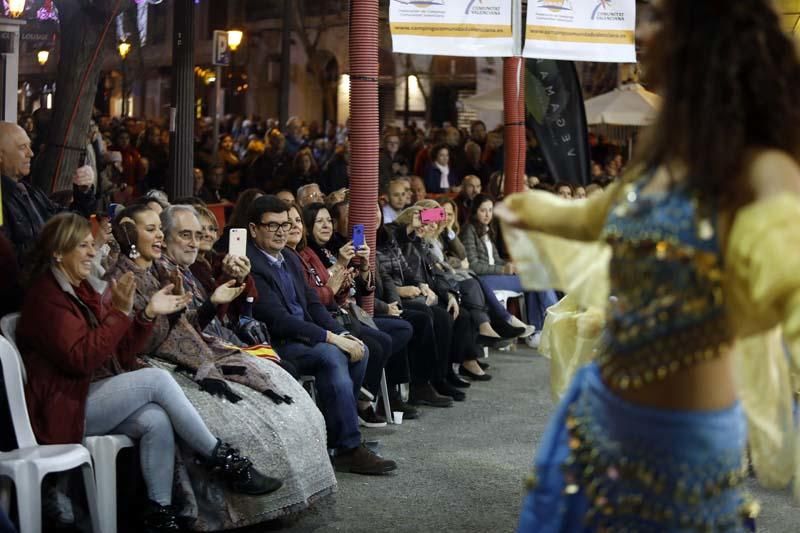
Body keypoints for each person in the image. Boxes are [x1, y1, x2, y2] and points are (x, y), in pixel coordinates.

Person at [497, 1, 800, 530]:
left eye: (659, 16)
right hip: (594, 422)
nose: (639, 29)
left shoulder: (761, 171)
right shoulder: (661, 158)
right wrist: (526, 207)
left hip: (682, 453)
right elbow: (595, 218)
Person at [19, 213, 282, 532]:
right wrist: (120, 313)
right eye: (82, 246)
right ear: (58, 253)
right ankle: (224, 459)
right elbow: (82, 359)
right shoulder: (47, 297)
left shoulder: (83, 290)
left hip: (84, 395)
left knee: (156, 418)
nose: (92, 252)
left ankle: (160, 514)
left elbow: (120, 354)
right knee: (156, 380)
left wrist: (145, 314)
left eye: (92, 245)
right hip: (59, 409)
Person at [106, 204, 336, 528]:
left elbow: (188, 325)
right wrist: (150, 316)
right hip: (153, 366)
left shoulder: (167, 269)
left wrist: (215, 300)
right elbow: (133, 343)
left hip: (194, 354)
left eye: (197, 235)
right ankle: (233, 493)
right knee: (230, 418)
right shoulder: (123, 275)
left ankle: (282, 496)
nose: (191, 241)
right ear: (130, 233)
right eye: (180, 234)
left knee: (280, 392)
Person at [246, 195, 398, 474]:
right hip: (276, 343)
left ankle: (339, 437)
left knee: (358, 348)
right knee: (331, 354)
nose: (281, 231)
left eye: (286, 224)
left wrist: (341, 332)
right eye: (272, 225)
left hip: (305, 335)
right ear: (254, 229)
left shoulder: (289, 257)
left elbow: (314, 305)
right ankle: (348, 447)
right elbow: (279, 321)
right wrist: (331, 338)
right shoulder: (252, 263)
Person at [461, 194, 558, 344]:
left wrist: (511, 266)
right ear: (474, 211)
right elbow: (474, 265)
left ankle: (536, 333)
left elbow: (495, 260)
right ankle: (555, 320)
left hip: (494, 276)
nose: (487, 214)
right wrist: (502, 270)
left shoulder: (487, 230)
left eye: (490, 210)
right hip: (483, 280)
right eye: (483, 210)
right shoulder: (469, 230)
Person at [0, 122, 96, 260]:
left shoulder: (29, 191)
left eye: (29, 146)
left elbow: (70, 222)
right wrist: (56, 245)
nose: (31, 153)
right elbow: (9, 260)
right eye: (22, 147)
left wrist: (84, 191)